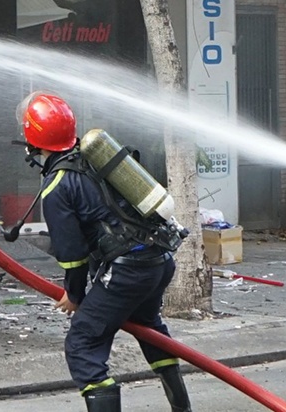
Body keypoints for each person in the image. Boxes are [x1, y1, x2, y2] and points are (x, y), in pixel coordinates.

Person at [18, 92, 187, 412]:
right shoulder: (96, 158)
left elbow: (72, 255)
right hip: (159, 260)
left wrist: (74, 293)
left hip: (128, 270)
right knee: (150, 328)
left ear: (32, 139)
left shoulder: (57, 186)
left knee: (82, 346)